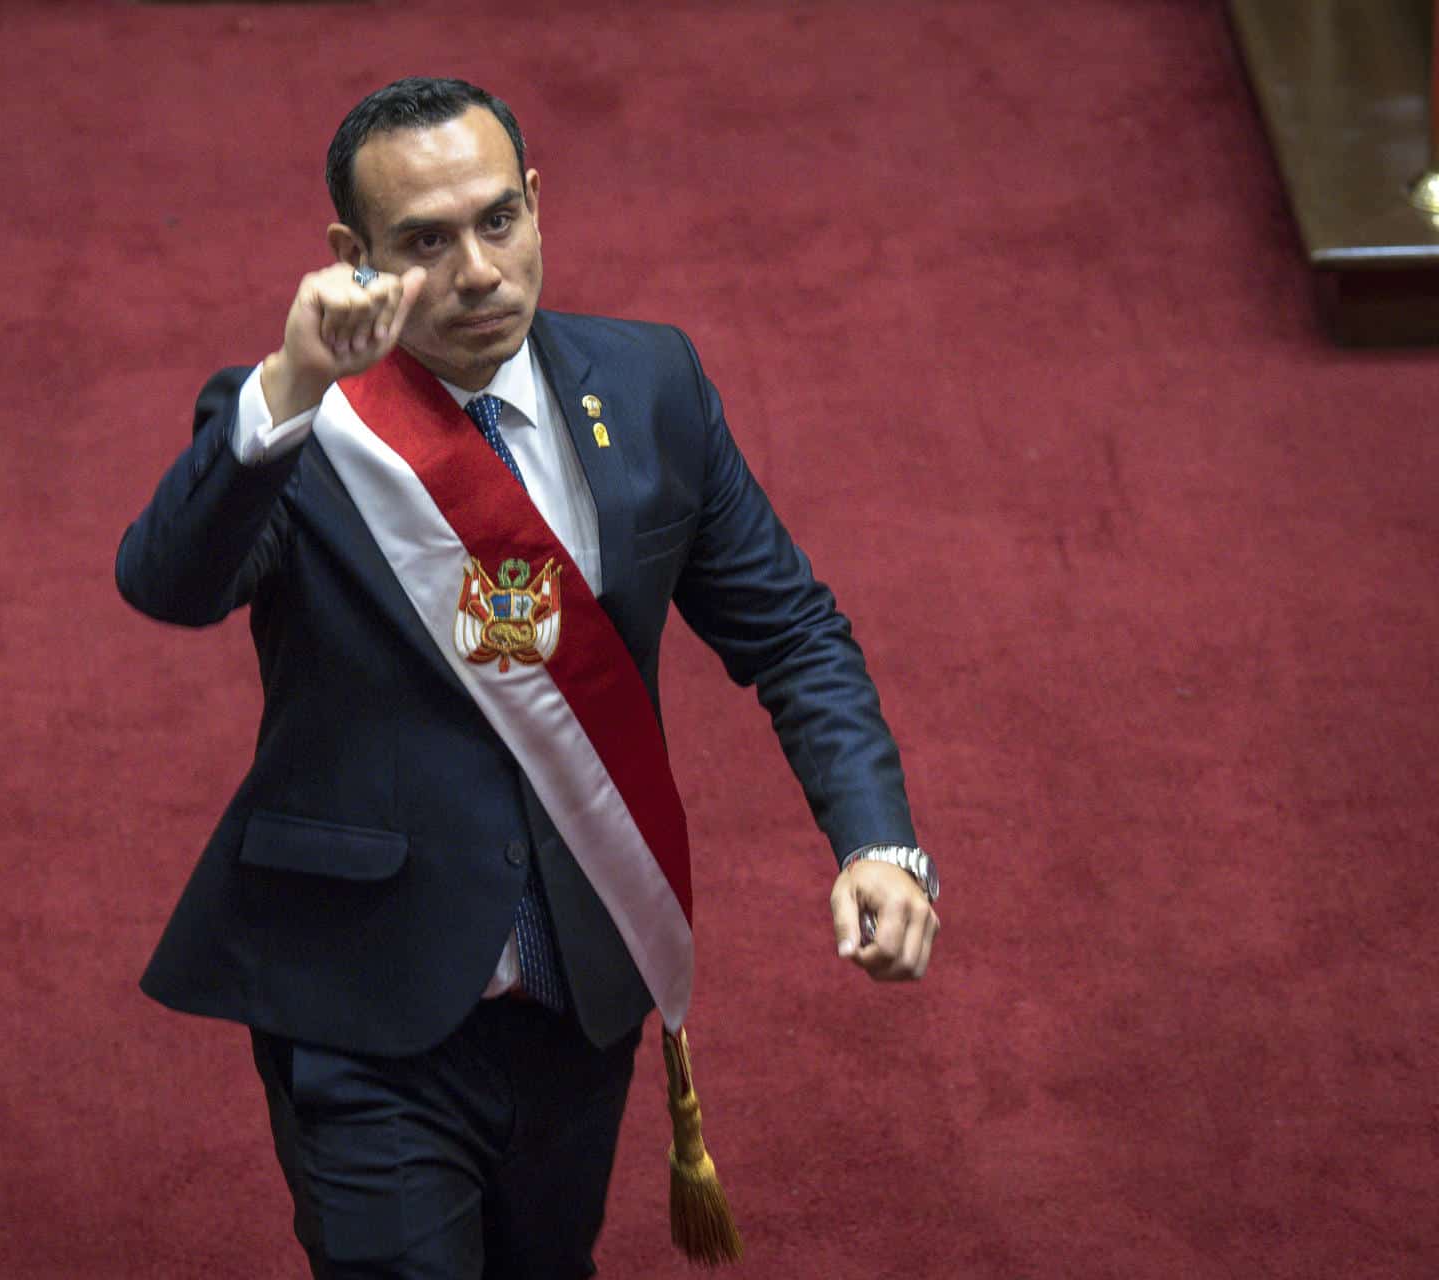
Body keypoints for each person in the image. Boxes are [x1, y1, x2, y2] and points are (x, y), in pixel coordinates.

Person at [116, 76, 941, 1280]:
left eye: (499, 220)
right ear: (352, 256)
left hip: (580, 991)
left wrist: (879, 840)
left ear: (537, 202)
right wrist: (287, 388)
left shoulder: (652, 384)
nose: (479, 272)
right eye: (425, 242)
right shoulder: (306, 423)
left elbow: (792, 631)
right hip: (366, 1002)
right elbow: (168, 582)